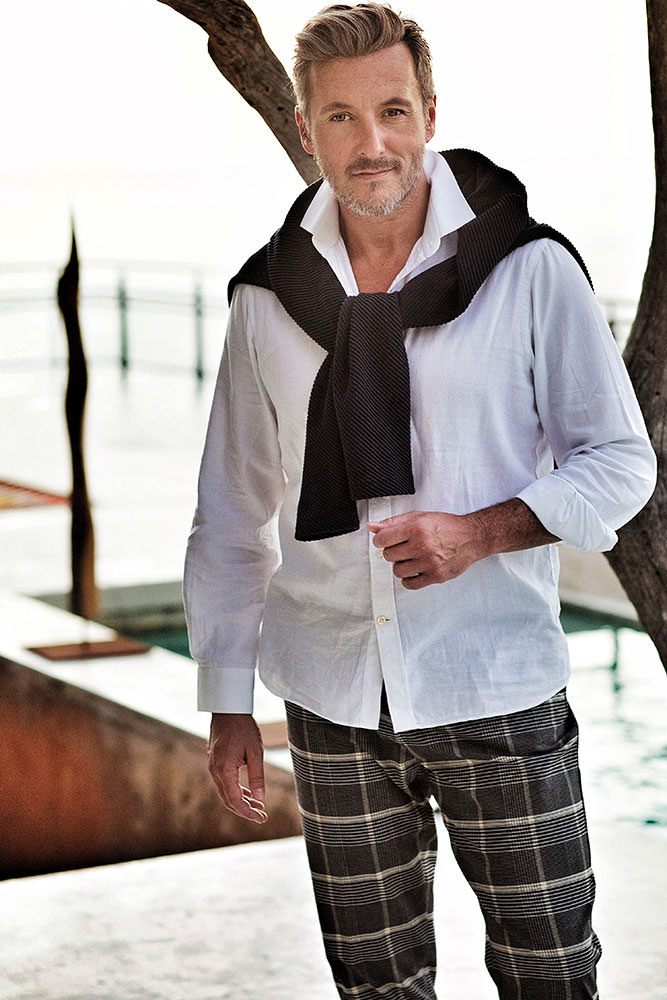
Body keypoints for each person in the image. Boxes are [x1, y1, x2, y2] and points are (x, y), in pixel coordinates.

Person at [183, 4, 657, 998]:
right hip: (330, 698)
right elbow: (231, 508)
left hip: (495, 685)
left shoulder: (527, 270)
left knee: (550, 974)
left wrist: (484, 532)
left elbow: (620, 462)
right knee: (374, 984)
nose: (372, 143)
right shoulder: (264, 297)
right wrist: (228, 703)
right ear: (306, 129)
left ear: (429, 113)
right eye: (341, 118)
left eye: (392, 110)